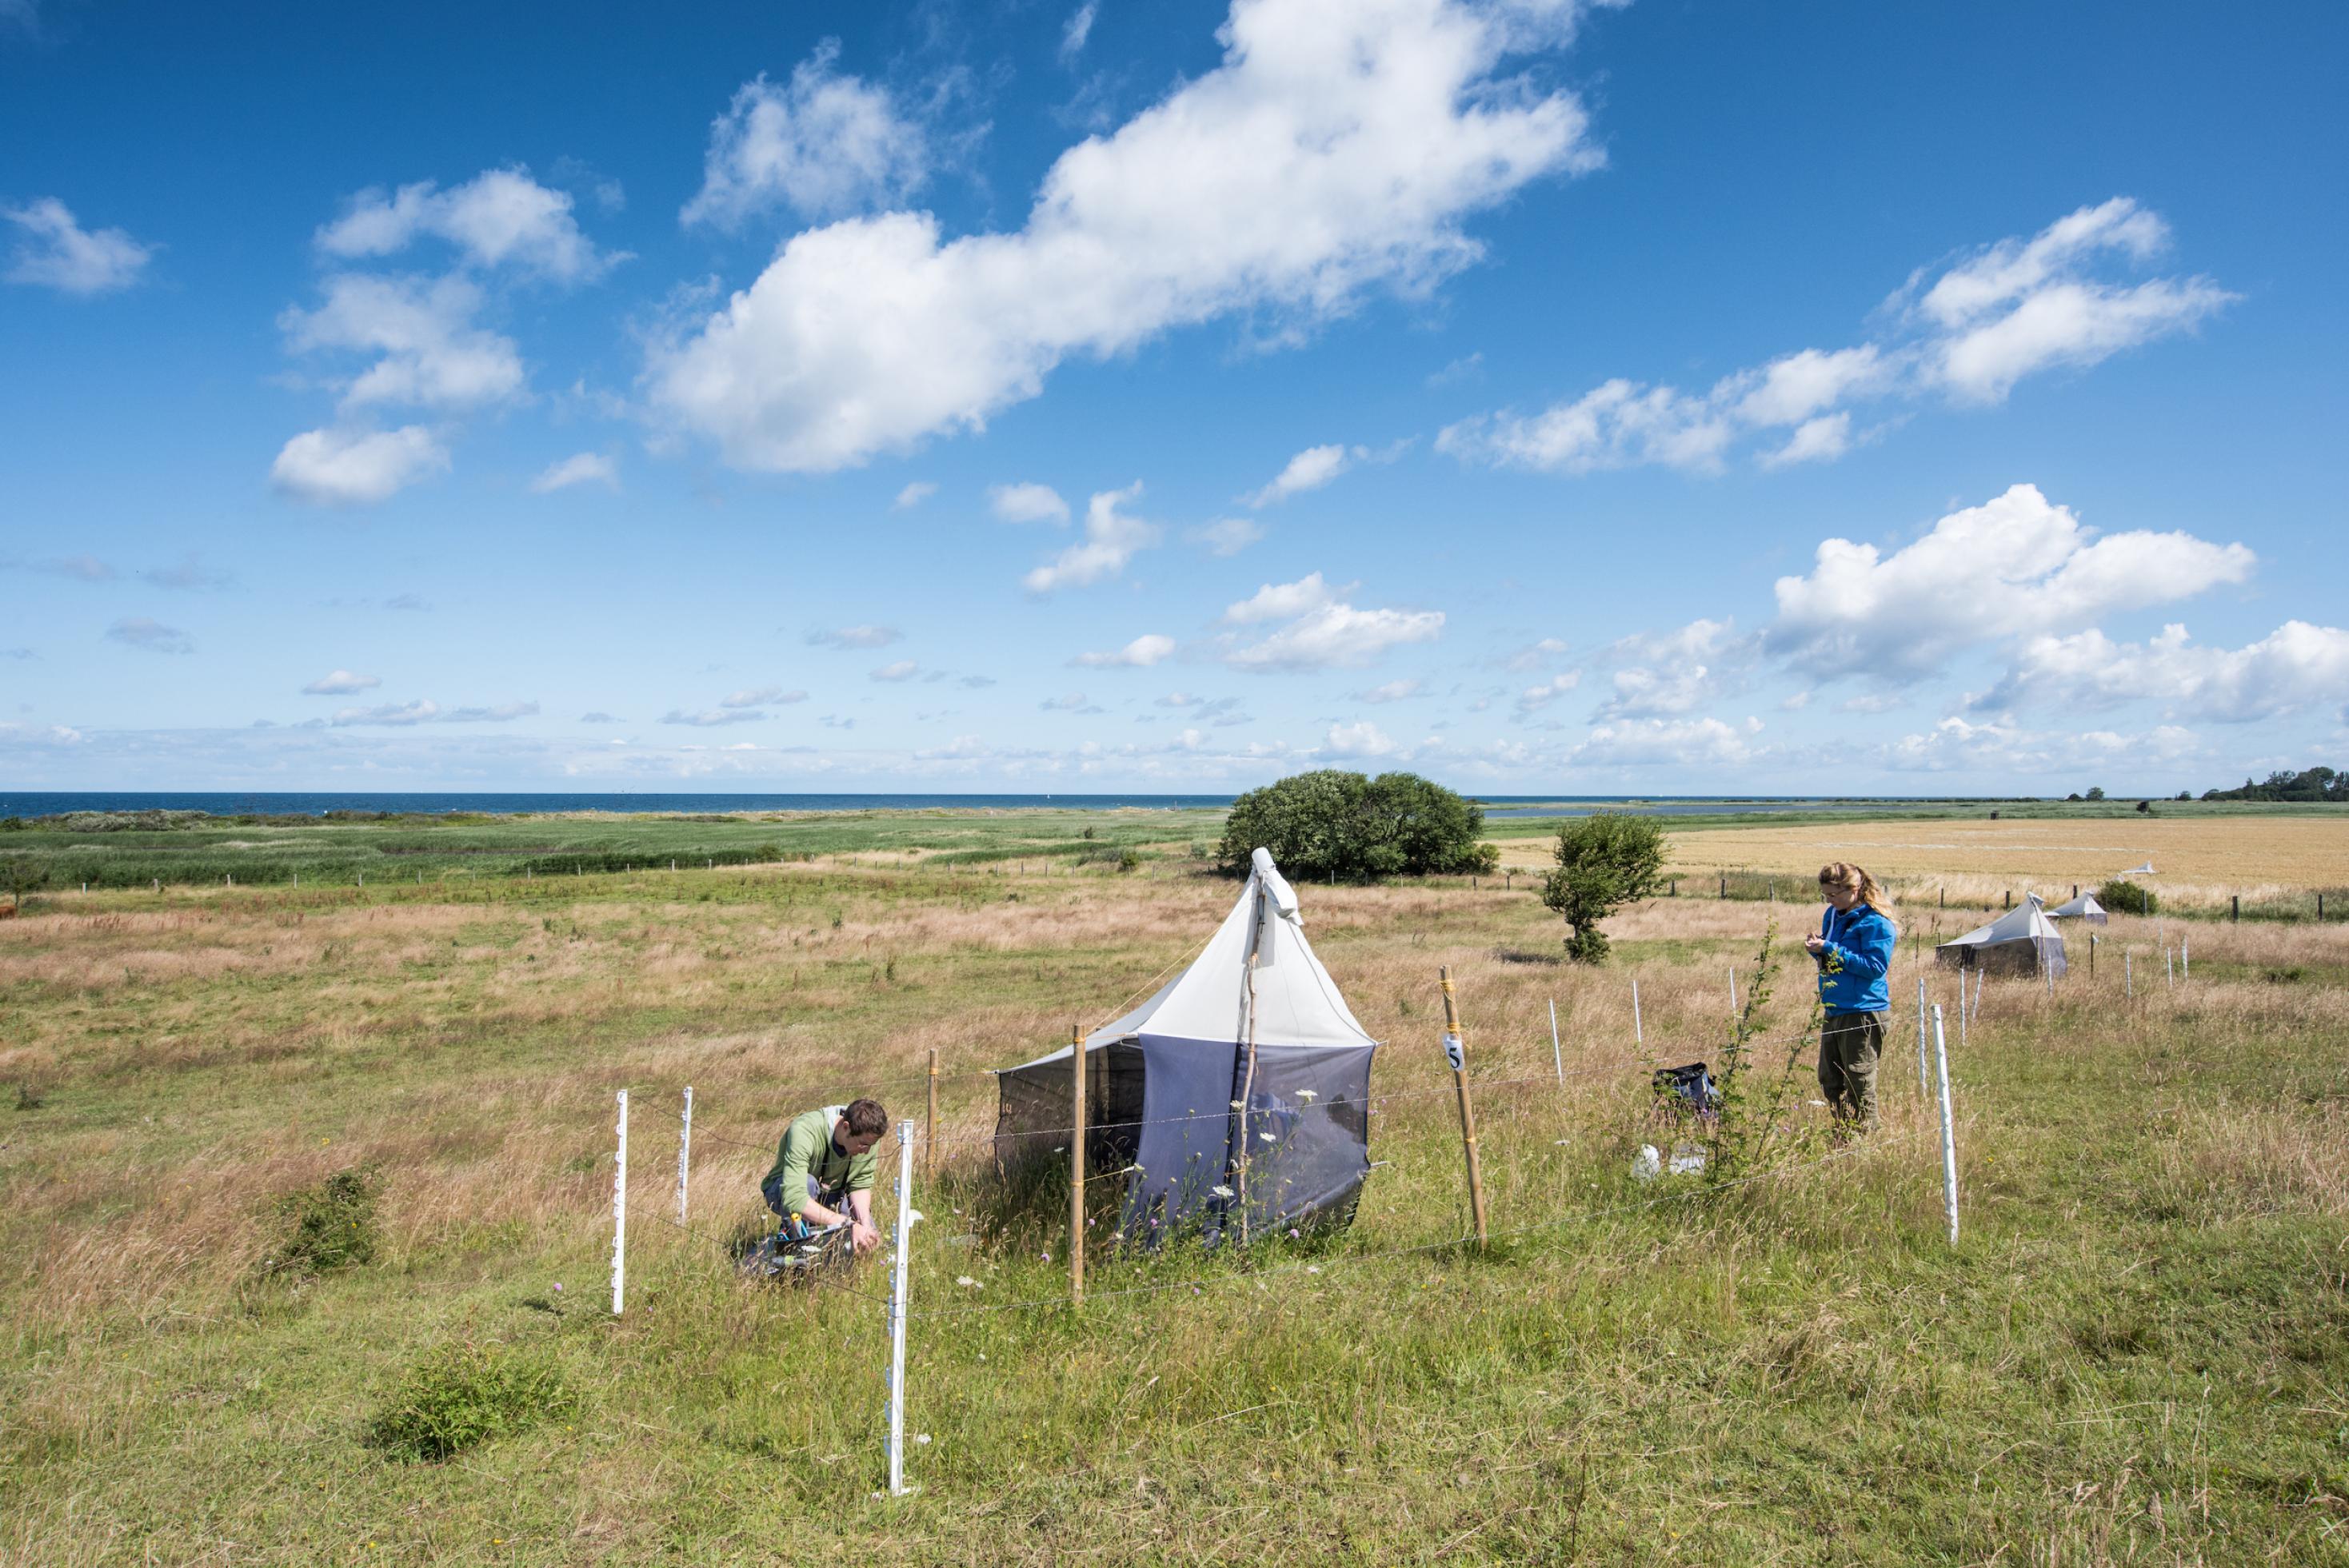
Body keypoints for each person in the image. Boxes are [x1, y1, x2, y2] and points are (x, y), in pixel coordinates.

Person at [1804, 862, 1896, 1133]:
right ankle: (1843, 1131)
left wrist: (1829, 948)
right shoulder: (1832, 915)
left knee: (1859, 1080)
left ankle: (1865, 1137)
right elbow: (1834, 954)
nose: (1830, 901)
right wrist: (1817, 949)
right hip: (1835, 1007)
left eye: (1834, 895)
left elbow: (1874, 967)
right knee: (1830, 1079)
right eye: (1825, 896)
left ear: (1854, 889)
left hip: (1863, 1010)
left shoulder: (1877, 923)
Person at [761, 1098, 888, 1256]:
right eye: (863, 1145)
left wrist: (865, 1224)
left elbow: (860, 1184)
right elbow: (794, 1197)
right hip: (786, 1190)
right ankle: (794, 1250)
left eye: (871, 1145)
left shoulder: (867, 1137)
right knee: (809, 1183)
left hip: (834, 1194)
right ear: (846, 1127)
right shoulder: (804, 1130)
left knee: (867, 1239)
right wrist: (848, 1225)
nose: (867, 1151)